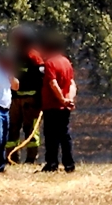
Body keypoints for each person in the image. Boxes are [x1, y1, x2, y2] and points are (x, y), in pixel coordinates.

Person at [6, 25, 44, 164]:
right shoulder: (12, 56)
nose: (17, 42)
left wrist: (41, 101)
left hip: (31, 101)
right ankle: (11, 158)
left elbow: (42, 79)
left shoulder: (34, 56)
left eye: (19, 39)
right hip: (14, 100)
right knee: (12, 129)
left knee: (31, 131)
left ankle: (30, 159)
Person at [40, 32, 77, 173]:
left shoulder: (49, 63)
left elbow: (52, 83)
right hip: (65, 107)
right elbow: (72, 83)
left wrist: (61, 99)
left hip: (52, 105)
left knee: (51, 136)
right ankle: (69, 164)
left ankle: (52, 163)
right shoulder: (66, 62)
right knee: (64, 135)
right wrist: (69, 100)